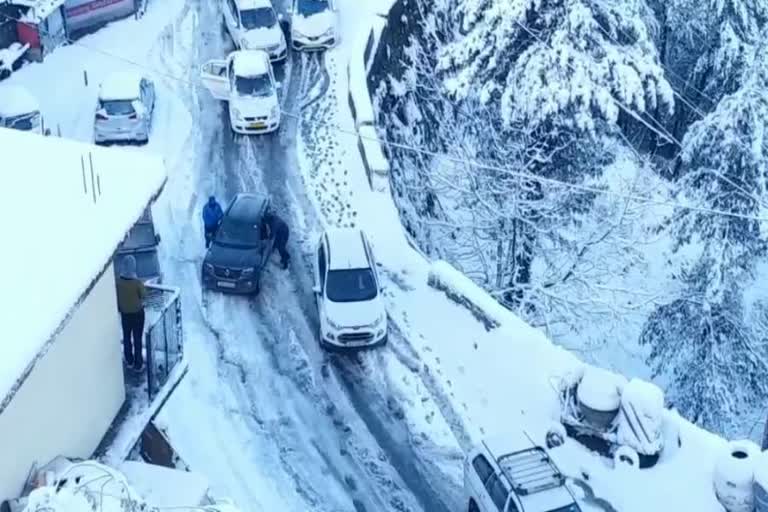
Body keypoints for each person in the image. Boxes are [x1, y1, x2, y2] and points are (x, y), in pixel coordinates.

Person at [116, 255, 146, 371]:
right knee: (137, 338)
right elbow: (143, 295)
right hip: (138, 314)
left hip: (125, 314)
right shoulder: (136, 282)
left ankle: (129, 359)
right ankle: (138, 364)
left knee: (127, 336)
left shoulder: (118, 282)